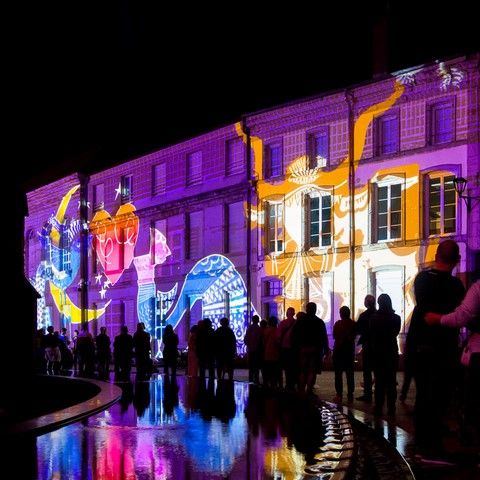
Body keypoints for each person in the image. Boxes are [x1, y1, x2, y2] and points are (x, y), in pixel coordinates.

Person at [406, 239, 465, 457]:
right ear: (457, 260)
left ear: (436, 255)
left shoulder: (421, 280)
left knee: (423, 395)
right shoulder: (456, 286)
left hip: (419, 345)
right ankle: (433, 443)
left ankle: (422, 441)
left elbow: (424, 310)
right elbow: (460, 315)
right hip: (444, 348)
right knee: (439, 397)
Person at [425, 280, 480, 447]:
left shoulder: (478, 287)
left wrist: (437, 318)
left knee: (476, 405)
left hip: (479, 353)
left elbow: (462, 315)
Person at [370, 294, 401, 416]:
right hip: (391, 351)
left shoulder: (373, 318)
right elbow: (395, 333)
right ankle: (391, 407)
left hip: (378, 352)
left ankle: (378, 406)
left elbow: (372, 334)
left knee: (379, 381)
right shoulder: (396, 318)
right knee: (391, 381)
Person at [291, 302, 329, 395]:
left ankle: (301, 388)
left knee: (302, 369)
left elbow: (294, 334)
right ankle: (309, 389)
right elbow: (323, 336)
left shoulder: (300, 321)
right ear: (315, 310)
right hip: (315, 349)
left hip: (303, 348)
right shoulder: (319, 322)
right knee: (312, 370)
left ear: (306, 309)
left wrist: (296, 346)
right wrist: (326, 349)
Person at [332, 306, 356, 403]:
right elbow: (353, 337)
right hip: (349, 352)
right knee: (350, 374)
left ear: (341, 314)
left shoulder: (337, 324)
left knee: (338, 374)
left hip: (338, 351)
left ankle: (339, 394)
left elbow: (334, 336)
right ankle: (350, 393)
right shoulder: (353, 324)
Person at [356, 295, 376, 401]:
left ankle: (368, 394)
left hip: (368, 345)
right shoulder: (378, 314)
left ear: (367, 303)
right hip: (379, 346)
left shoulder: (364, 315)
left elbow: (358, 329)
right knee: (378, 370)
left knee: (367, 370)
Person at [278, 307, 297, 391]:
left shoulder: (282, 323)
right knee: (293, 366)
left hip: (284, 347)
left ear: (287, 313)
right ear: (294, 313)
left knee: (286, 367)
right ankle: (292, 383)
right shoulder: (296, 323)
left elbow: (278, 336)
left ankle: (288, 383)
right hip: (293, 348)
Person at [244, 315, 263, 384]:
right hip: (257, 350)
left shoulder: (249, 328)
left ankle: (251, 379)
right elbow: (260, 340)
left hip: (250, 349)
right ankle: (256, 379)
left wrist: (248, 344)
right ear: (258, 320)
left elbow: (246, 339)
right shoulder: (259, 329)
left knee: (251, 366)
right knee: (256, 366)